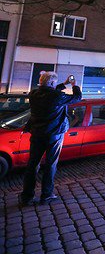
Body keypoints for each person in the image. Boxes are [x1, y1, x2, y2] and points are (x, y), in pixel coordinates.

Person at [19, 72, 82, 206]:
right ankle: (46, 195)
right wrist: (73, 85)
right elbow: (77, 97)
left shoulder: (33, 94)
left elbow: (49, 93)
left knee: (32, 164)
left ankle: (27, 196)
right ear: (52, 83)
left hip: (37, 133)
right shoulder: (57, 96)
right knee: (50, 164)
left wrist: (63, 84)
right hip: (54, 134)